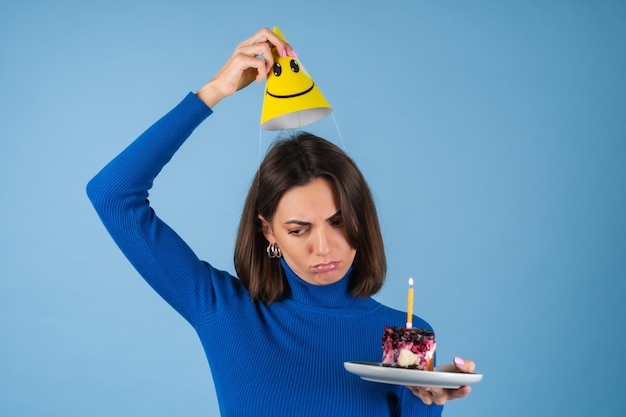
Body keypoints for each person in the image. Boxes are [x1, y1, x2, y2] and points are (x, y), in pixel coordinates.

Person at [87, 27, 476, 416]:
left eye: (338, 222)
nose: (323, 247)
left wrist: (428, 396)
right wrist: (213, 92)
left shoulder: (404, 338)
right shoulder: (224, 310)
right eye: (298, 229)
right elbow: (112, 195)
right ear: (268, 231)